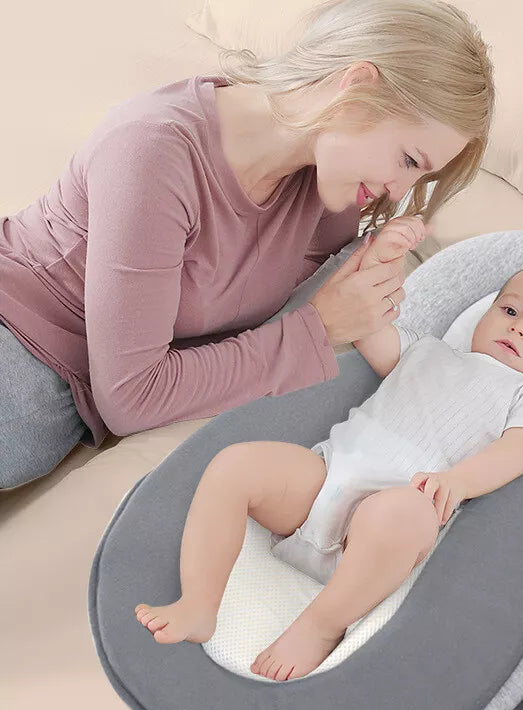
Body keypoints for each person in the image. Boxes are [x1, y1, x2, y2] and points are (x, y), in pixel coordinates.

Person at [0, 0, 495, 490]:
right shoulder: (156, 150)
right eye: (408, 159)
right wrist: (317, 327)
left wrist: (363, 267)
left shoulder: (331, 195)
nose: (397, 191)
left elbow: (251, 338)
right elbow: (133, 396)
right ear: (358, 89)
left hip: (53, 404)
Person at [133, 216, 523, 682]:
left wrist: (457, 483)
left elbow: (520, 450)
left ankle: (321, 625)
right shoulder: (429, 352)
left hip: (391, 520)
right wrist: (380, 259)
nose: (520, 328)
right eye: (509, 310)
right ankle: (199, 601)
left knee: (401, 514)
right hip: (322, 483)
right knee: (236, 464)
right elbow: (364, 327)